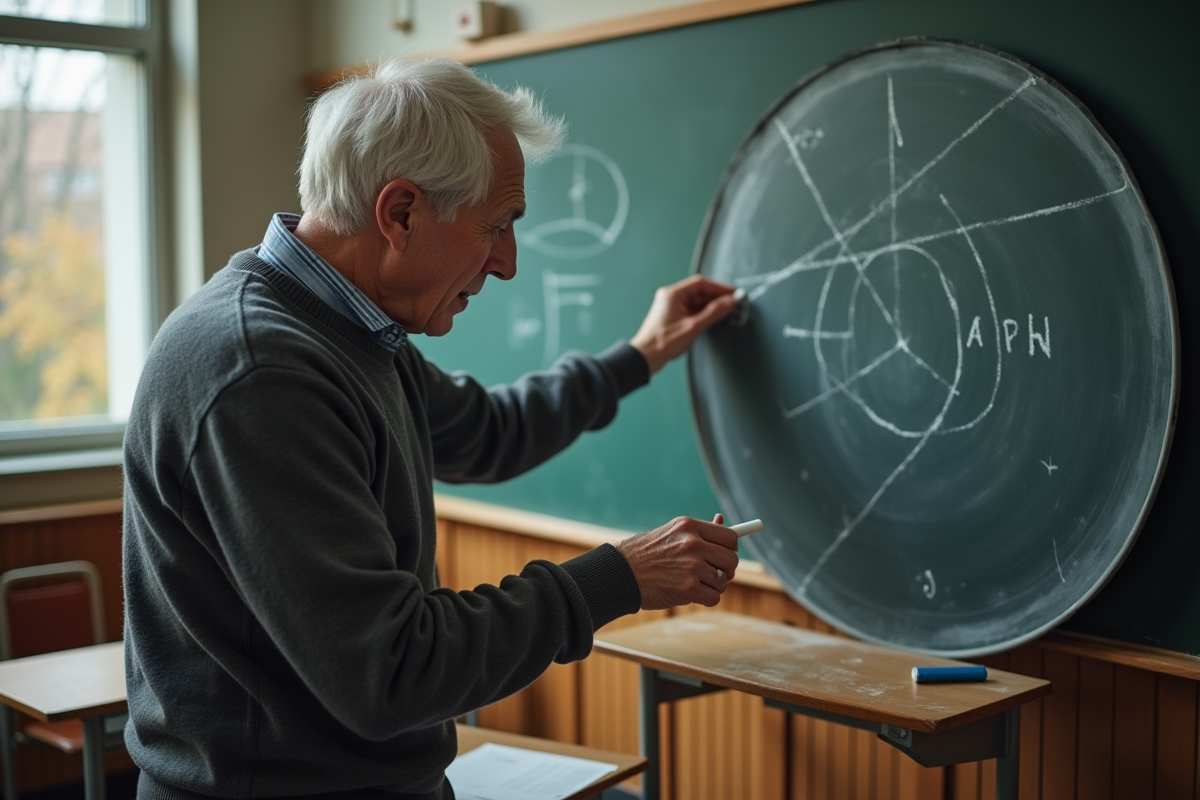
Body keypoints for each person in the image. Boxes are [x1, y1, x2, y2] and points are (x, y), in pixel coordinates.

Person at [122, 57, 740, 800]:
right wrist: (618, 576)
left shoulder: (351, 333)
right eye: (498, 226)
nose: (507, 263)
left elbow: (488, 432)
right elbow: (390, 671)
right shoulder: (262, 372)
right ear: (402, 212)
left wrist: (642, 354)